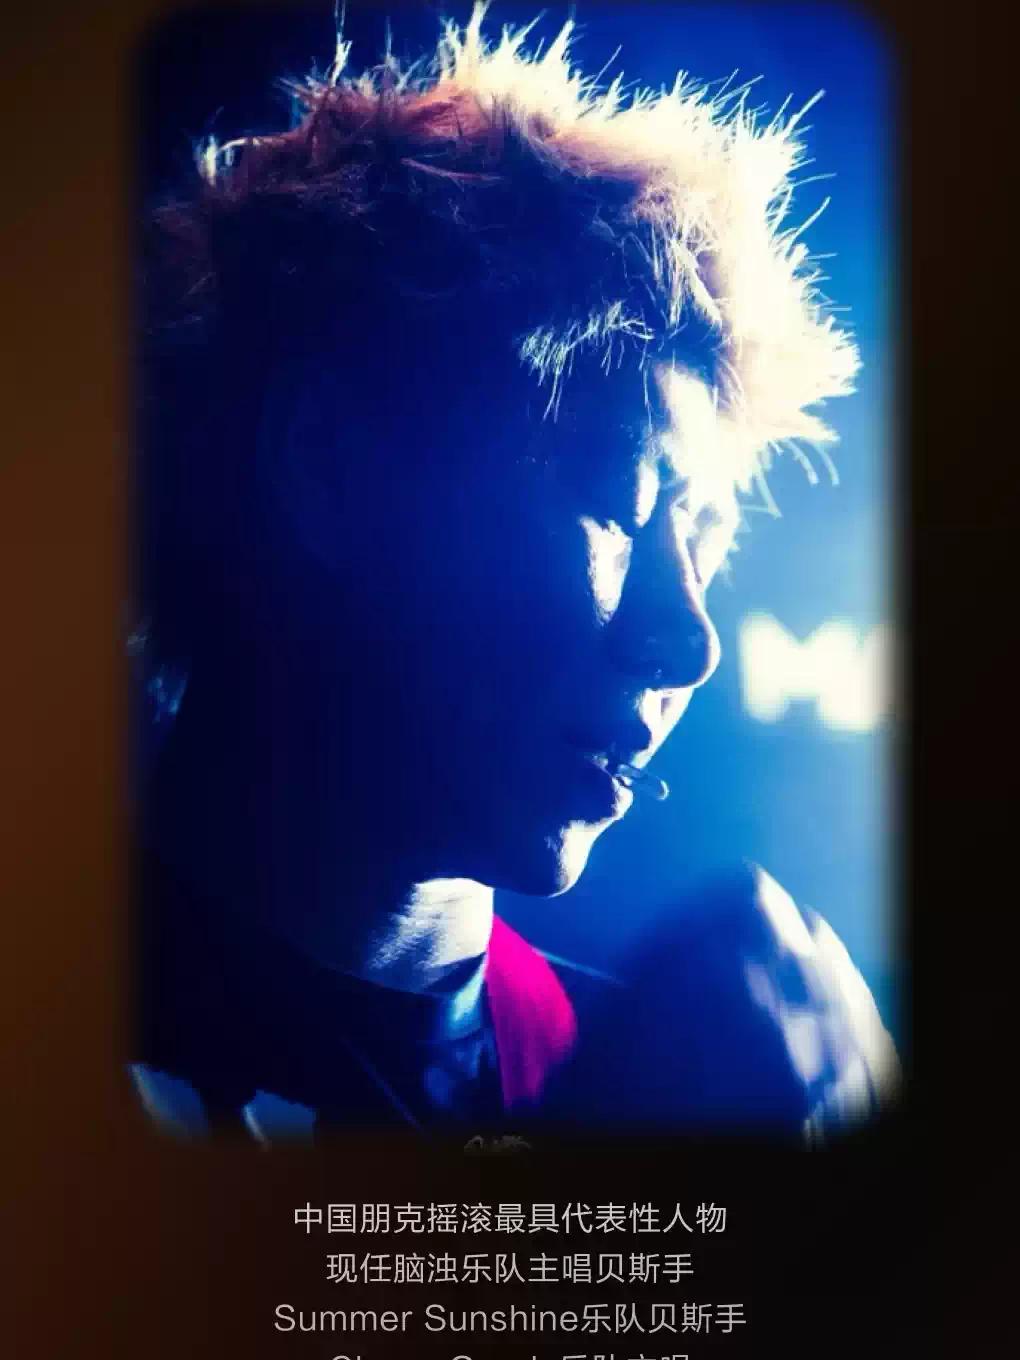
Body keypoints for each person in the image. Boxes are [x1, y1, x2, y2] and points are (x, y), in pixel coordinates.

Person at [131, 4, 898, 1142]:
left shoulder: (705, 1091)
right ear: (329, 463)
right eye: (619, 502)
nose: (689, 641)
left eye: (704, 539)